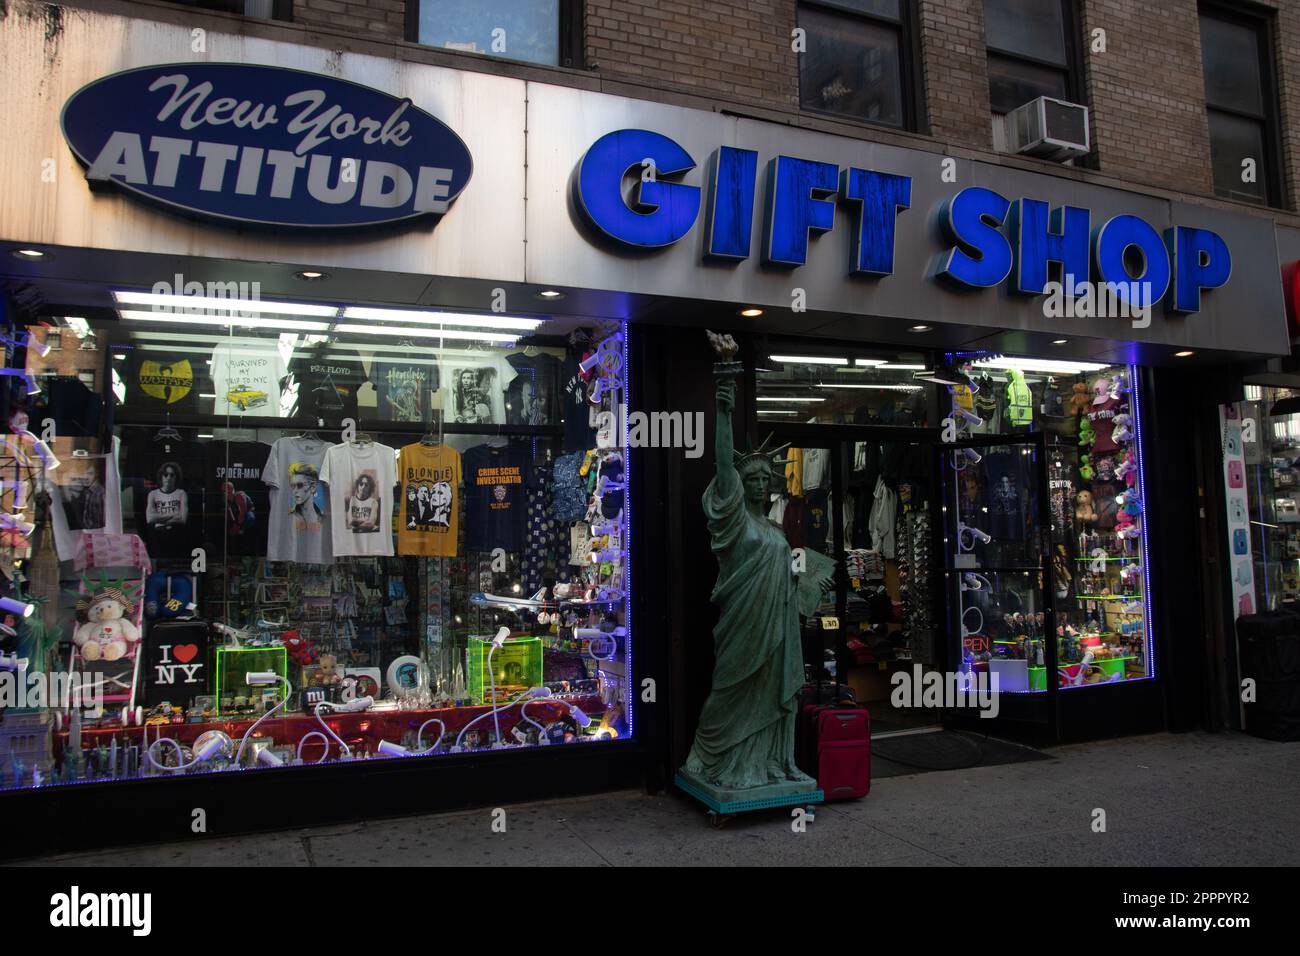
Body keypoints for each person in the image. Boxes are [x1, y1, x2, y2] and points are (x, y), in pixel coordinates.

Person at [680, 375, 813, 790]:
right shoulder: (735, 521)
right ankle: (706, 751)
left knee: (773, 690)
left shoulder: (774, 528)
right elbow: (722, 464)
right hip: (743, 623)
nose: (758, 483)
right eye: (750, 478)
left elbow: (788, 571)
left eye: (763, 478)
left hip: (779, 624)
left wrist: (802, 585)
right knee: (730, 686)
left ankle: (771, 762)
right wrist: (723, 409)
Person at [288, 462, 323, 529]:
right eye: (293, 486)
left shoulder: (321, 518)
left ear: (313, 487)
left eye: (300, 485)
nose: (295, 491)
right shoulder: (290, 517)